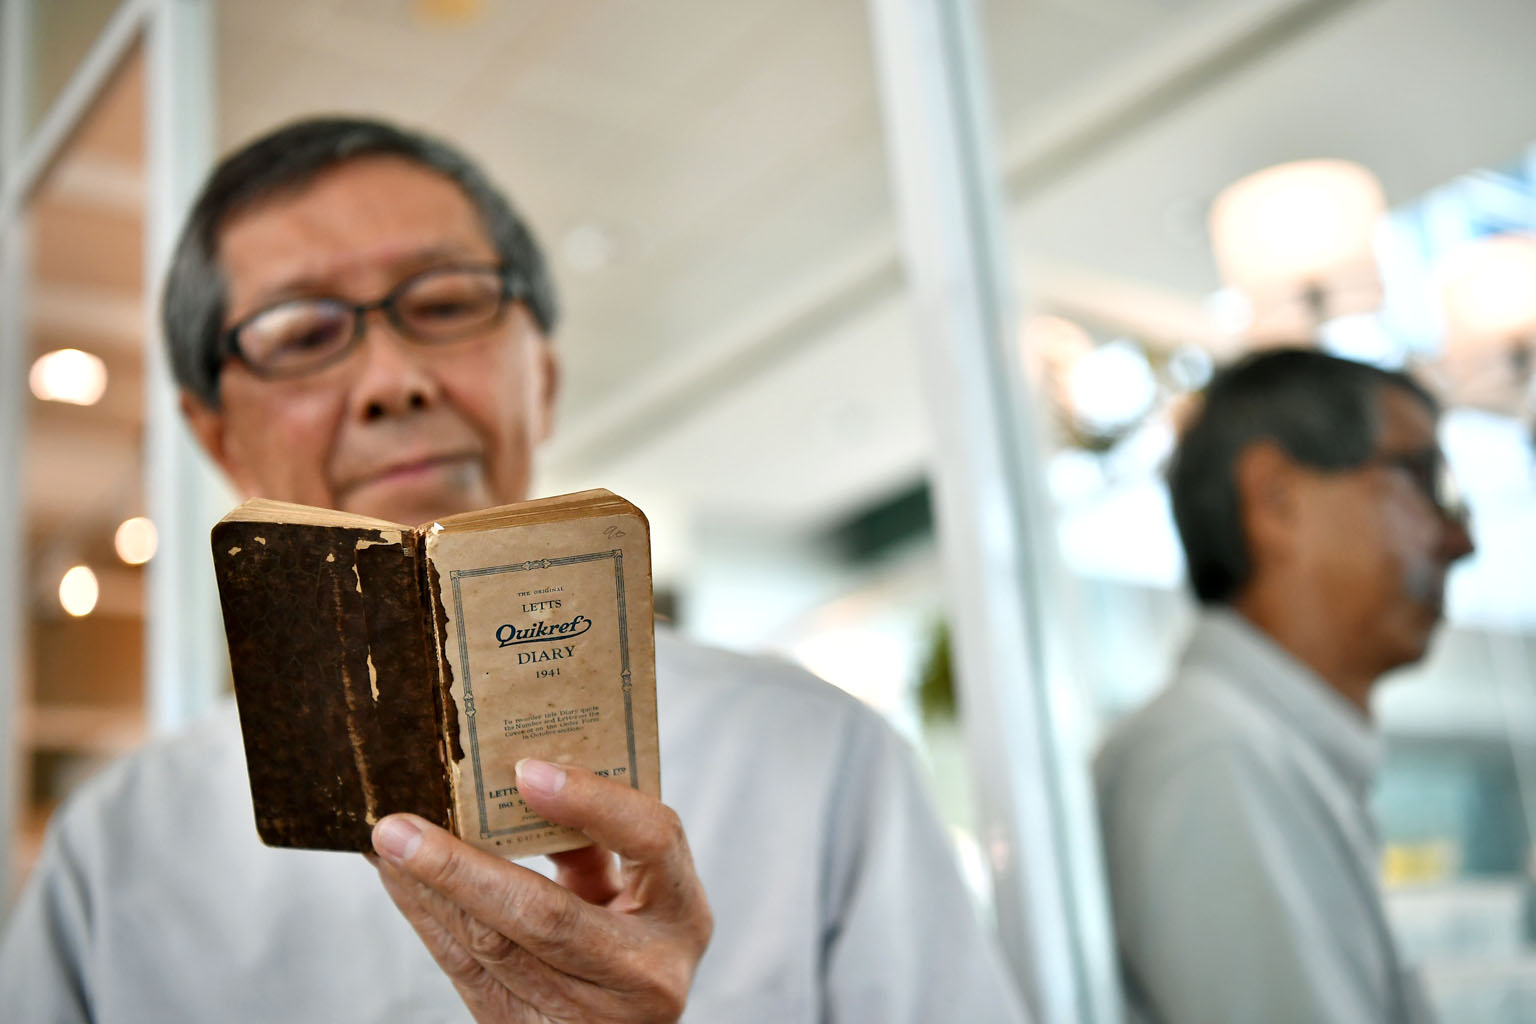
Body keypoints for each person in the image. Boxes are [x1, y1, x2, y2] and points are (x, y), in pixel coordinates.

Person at [0, 117, 1028, 1024]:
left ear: (543, 370)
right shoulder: (115, 854)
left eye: (446, 302)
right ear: (214, 432)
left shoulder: (817, 758)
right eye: (302, 333)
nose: (395, 381)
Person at [1095, 348, 1474, 1024]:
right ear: (1275, 498)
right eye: (1421, 479)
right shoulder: (1212, 760)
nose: (1457, 539)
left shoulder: (1250, 752)